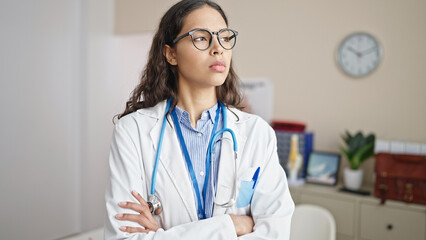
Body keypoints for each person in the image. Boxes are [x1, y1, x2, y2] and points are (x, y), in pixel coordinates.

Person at [104, 0, 294, 239]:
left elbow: (275, 233)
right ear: (171, 54)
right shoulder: (133, 131)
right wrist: (231, 226)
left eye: (224, 37)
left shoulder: (258, 133)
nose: (218, 48)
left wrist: (164, 234)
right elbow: (124, 237)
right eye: (202, 38)